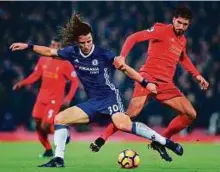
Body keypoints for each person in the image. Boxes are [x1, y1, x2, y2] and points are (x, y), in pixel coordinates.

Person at [10, 13, 183, 167]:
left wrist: (146, 83)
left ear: (92, 38)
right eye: (82, 43)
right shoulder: (72, 52)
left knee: (124, 124)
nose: (86, 45)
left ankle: (166, 142)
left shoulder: (103, 54)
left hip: (110, 99)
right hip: (93, 102)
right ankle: (58, 159)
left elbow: (126, 68)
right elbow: (49, 51)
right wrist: (28, 46)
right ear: (77, 43)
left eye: (89, 41)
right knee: (60, 118)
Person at [90, 6, 209, 160]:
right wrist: (122, 56)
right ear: (173, 20)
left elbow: (183, 58)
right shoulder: (160, 29)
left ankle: (161, 141)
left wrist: (197, 75)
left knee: (190, 114)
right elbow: (133, 38)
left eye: (185, 24)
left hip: (166, 84)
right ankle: (102, 139)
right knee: (130, 115)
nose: (181, 27)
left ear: (189, 24)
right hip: (147, 78)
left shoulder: (183, 40)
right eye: (179, 23)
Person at [13, 39, 79, 157]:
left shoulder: (65, 63)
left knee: (45, 125)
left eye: (57, 46)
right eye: (53, 45)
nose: (54, 47)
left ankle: (64, 134)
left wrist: (68, 98)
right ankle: (48, 150)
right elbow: (36, 75)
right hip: (41, 98)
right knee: (37, 124)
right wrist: (22, 83)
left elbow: (75, 82)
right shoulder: (43, 59)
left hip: (55, 99)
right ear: (49, 46)